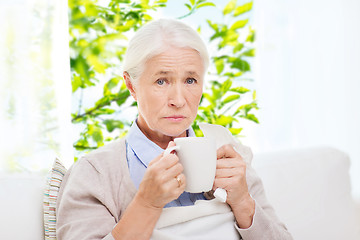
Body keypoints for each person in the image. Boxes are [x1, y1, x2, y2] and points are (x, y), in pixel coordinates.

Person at [56, 18, 293, 240]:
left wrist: (242, 201)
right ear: (131, 85)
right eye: (162, 81)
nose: (178, 100)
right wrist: (147, 204)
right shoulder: (95, 174)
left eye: (190, 80)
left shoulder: (231, 159)